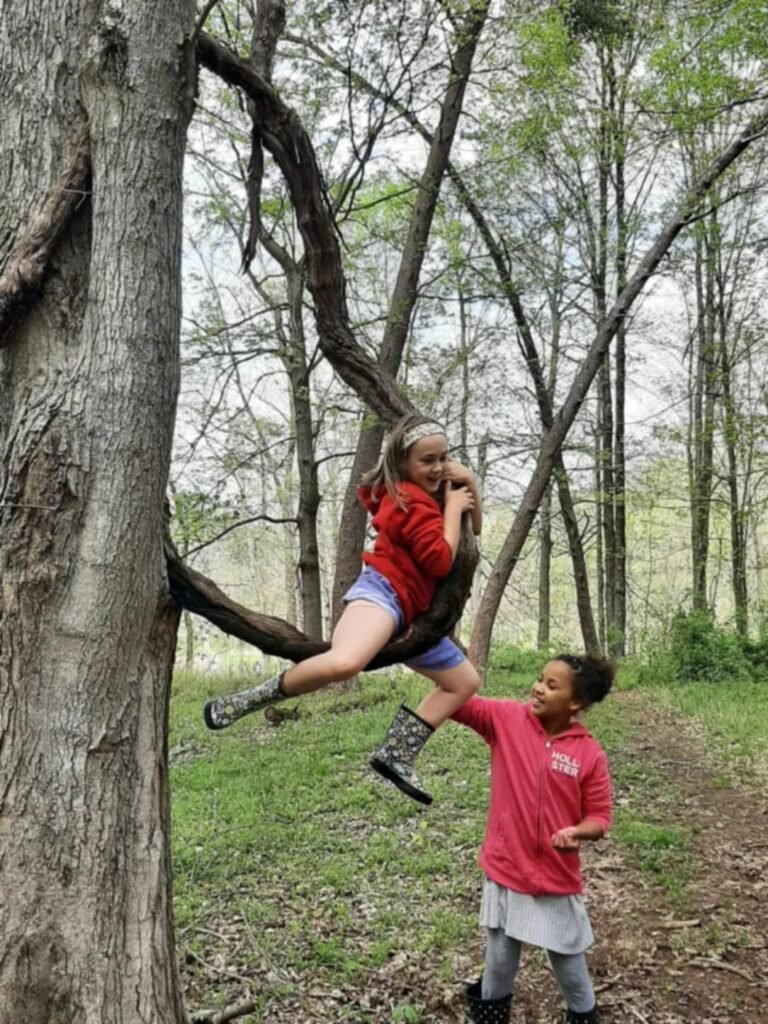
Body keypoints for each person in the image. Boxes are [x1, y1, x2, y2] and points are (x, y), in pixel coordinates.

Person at [203, 412, 483, 806]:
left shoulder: (436, 493)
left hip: (414, 612)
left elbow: (473, 535)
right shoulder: (407, 500)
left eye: (443, 457)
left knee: (464, 682)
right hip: (383, 593)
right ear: (403, 463)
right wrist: (452, 509)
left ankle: (397, 753)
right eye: (427, 460)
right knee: (344, 663)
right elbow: (440, 561)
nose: (438, 467)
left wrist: (469, 485)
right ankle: (250, 699)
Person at [451, 654, 614, 1024]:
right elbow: (458, 702)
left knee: (570, 965)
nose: (538, 688)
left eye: (551, 685)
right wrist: (428, 650)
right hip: (506, 869)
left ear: (575, 703)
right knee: (499, 963)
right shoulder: (506, 720)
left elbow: (600, 818)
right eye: (540, 679)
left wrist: (577, 831)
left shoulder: (588, 754)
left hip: (556, 879)